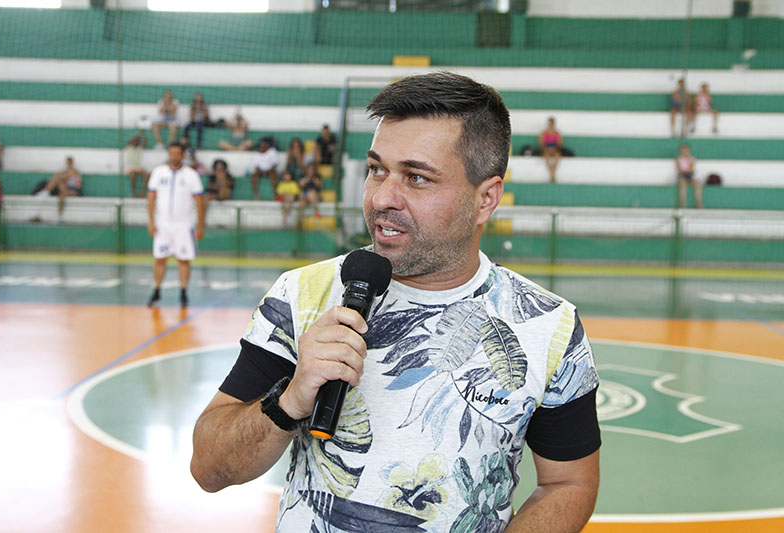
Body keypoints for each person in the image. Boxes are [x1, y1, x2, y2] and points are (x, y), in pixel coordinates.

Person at [191, 72, 601, 533]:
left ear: (486, 198)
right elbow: (208, 467)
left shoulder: (550, 326)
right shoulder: (300, 295)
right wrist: (288, 401)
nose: (383, 197)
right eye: (377, 169)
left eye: (417, 177)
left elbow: (569, 483)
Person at [146, 142, 205, 308]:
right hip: (163, 224)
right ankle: (156, 291)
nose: (174, 157)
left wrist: (200, 226)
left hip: (183, 225)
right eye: (171, 153)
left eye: (177, 153)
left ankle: (183, 293)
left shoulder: (191, 175)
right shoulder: (158, 172)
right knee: (160, 258)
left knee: (183, 259)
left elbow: (199, 202)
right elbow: (151, 198)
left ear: (183, 155)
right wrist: (151, 221)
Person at [676, 143, 704, 209]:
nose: (685, 152)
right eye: (684, 150)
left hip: (689, 176)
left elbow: (691, 169)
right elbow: (679, 170)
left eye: (686, 150)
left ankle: (698, 203)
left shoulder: (692, 159)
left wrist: (688, 161)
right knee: (683, 184)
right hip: (682, 176)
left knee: (698, 183)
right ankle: (683, 204)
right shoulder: (679, 159)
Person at [538, 116, 563, 183]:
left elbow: (559, 143)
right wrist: (547, 148)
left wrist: (554, 149)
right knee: (546, 156)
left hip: (554, 149)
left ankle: (552, 174)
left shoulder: (557, 133)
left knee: (557, 156)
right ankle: (553, 175)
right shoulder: (544, 133)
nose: (550, 125)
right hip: (547, 149)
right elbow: (541, 143)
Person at [125, 131, 150, 198]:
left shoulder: (140, 148)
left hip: (137, 167)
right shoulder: (129, 147)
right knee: (133, 175)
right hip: (129, 167)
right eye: (134, 140)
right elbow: (130, 140)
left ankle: (142, 192)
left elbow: (146, 141)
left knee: (147, 175)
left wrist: (143, 134)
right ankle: (133, 193)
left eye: (137, 140)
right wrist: (138, 134)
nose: (135, 141)